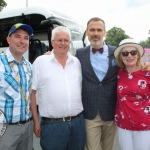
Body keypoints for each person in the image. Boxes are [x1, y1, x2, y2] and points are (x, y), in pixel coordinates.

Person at [30, 26, 86, 150]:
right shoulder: (40, 62)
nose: (63, 43)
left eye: (66, 40)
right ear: (52, 42)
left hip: (78, 124)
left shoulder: (76, 62)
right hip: (52, 126)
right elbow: (32, 94)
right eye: (59, 40)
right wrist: (36, 121)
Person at [76, 17, 118, 150]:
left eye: (99, 30)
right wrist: (49, 55)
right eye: (92, 30)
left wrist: (145, 65)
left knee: (108, 148)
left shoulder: (117, 52)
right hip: (90, 112)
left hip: (111, 111)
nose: (96, 33)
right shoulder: (79, 53)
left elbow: (131, 66)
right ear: (87, 32)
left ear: (104, 32)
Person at [0, 23, 33, 150]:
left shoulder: (29, 66)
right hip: (5, 129)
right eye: (17, 36)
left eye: (26, 38)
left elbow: (30, 94)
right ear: (8, 39)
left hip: (27, 127)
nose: (22, 41)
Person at [114, 38, 150, 150]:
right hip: (123, 124)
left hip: (144, 124)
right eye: (125, 53)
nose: (129, 55)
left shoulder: (147, 72)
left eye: (133, 52)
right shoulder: (118, 73)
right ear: (121, 57)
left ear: (138, 55)